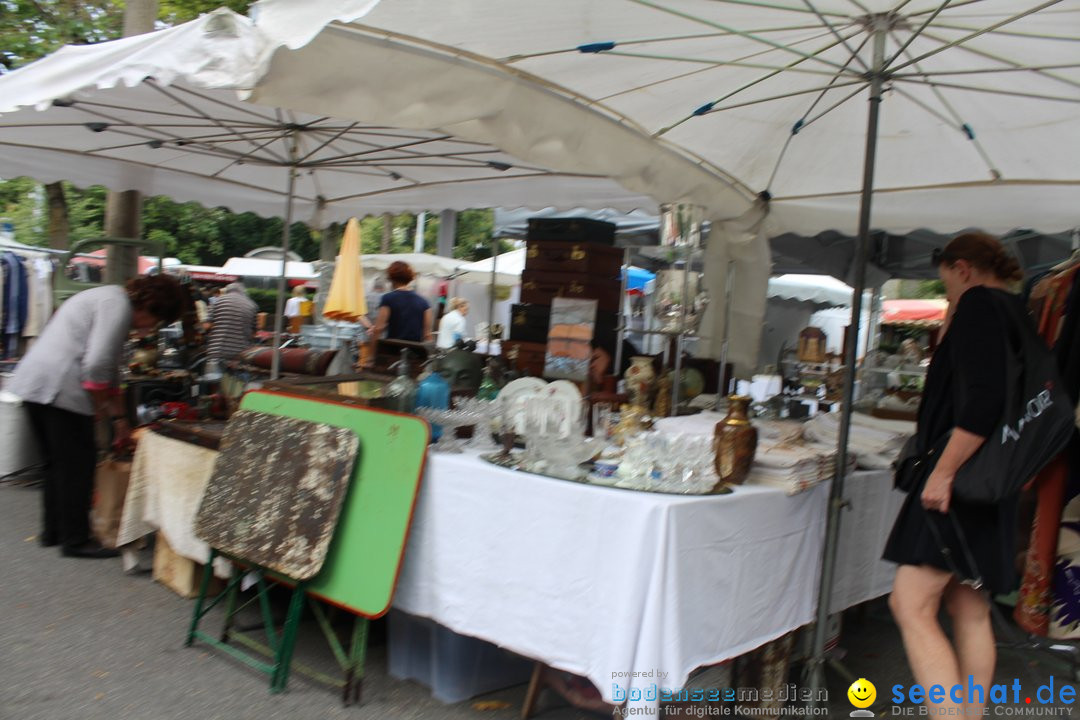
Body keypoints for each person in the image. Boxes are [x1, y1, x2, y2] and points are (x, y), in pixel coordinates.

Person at [884, 232, 1025, 716]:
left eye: (944, 281)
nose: (944, 292)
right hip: (992, 482)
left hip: (960, 480)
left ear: (962, 268)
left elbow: (982, 402)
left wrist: (942, 473)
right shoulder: (1014, 310)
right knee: (969, 608)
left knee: (910, 605)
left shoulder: (979, 307)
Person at [6, 275, 187, 559]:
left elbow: (110, 369)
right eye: (155, 319)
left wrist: (120, 420)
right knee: (78, 465)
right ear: (149, 304)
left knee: (56, 464)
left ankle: (53, 531)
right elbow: (97, 365)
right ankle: (76, 539)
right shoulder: (117, 306)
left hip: (36, 382)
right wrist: (103, 411)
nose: (151, 328)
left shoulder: (107, 298)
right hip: (61, 387)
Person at [364, 261, 432, 364]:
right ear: (410, 278)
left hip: (392, 354)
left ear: (391, 278)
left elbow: (378, 329)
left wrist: (371, 357)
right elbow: (427, 335)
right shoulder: (424, 302)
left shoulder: (388, 299)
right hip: (416, 355)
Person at [206, 282, 257, 363]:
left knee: (214, 374)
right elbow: (253, 334)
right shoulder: (251, 305)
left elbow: (207, 325)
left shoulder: (218, 302)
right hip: (240, 353)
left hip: (217, 350)